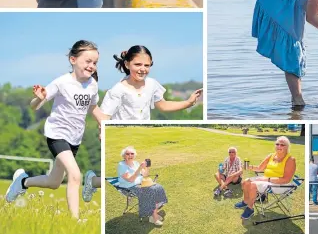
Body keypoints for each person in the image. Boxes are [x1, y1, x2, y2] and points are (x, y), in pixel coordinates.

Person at [5, 41, 103, 219]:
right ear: (73, 59)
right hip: (57, 134)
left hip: (75, 138)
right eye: (88, 61)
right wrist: (38, 98)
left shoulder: (92, 85)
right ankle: (75, 220)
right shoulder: (62, 82)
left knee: (53, 182)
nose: (92, 66)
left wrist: (104, 126)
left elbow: (93, 108)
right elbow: (35, 105)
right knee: (75, 175)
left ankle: (23, 182)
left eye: (95, 63)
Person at [99, 45, 202, 120]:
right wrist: (101, 132)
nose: (142, 69)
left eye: (147, 65)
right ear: (127, 64)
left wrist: (188, 102)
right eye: (138, 64)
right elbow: (104, 116)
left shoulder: (151, 84)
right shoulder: (118, 90)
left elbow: (163, 105)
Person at [235, 136, 297, 220]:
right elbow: (260, 168)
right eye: (277, 144)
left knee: (253, 185)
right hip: (267, 179)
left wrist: (267, 179)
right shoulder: (271, 156)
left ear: (287, 147)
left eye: (282, 145)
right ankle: (246, 202)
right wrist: (250, 167)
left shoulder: (290, 160)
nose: (279, 146)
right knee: (245, 182)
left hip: (281, 184)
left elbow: (286, 179)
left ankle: (250, 208)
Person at [117, 146, 168, 226]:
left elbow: (145, 174)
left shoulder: (136, 163)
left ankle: (153, 211)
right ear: (123, 155)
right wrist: (139, 169)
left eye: (132, 153)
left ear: (134, 155)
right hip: (130, 186)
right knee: (151, 192)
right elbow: (130, 180)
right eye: (127, 154)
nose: (130, 155)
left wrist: (146, 167)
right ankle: (154, 217)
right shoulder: (121, 165)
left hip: (142, 183)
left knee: (158, 187)